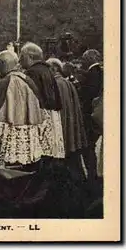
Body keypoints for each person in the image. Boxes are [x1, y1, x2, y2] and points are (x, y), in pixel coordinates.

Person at [0, 50, 45, 168]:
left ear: (4, 64)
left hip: (6, 142)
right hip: (27, 142)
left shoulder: (4, 82)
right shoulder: (27, 80)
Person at [19, 42, 65, 162]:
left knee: (38, 155)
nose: (19, 60)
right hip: (51, 116)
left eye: (22, 57)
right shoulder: (47, 70)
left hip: (40, 118)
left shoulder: (31, 72)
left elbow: (30, 100)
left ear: (30, 57)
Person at [47, 58, 87, 181]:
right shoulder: (67, 83)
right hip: (71, 130)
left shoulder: (55, 84)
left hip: (62, 131)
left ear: (54, 69)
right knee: (75, 163)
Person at [78, 49, 103, 182]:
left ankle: (92, 176)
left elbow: (89, 95)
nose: (82, 61)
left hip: (89, 115)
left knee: (88, 146)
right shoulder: (99, 72)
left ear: (90, 59)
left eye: (84, 58)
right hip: (95, 114)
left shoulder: (92, 73)